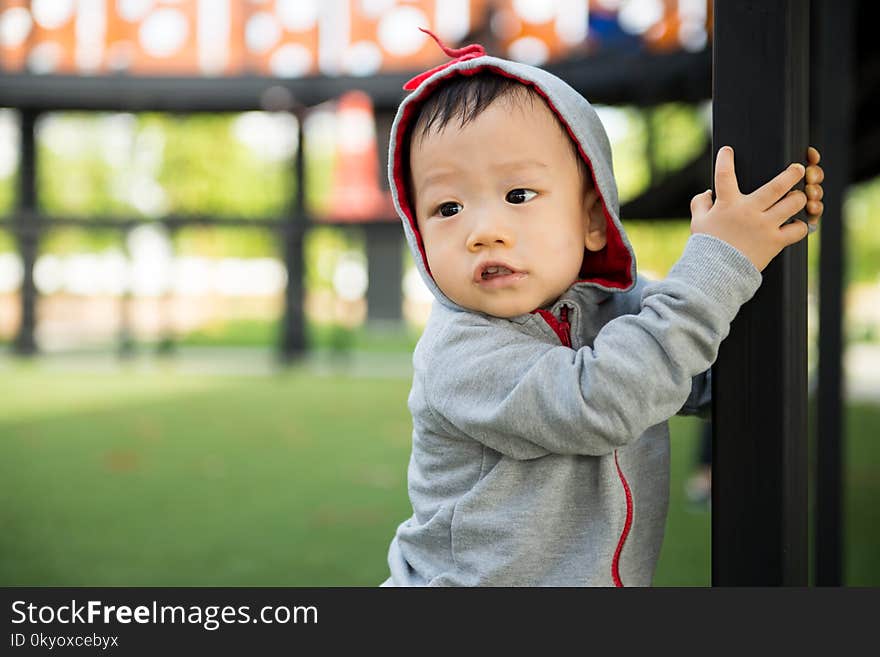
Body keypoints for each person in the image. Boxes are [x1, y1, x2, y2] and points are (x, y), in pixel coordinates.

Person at [380, 28, 824, 586]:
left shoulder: (609, 309)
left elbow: (697, 370)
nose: (483, 231)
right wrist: (720, 262)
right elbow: (603, 400)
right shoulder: (461, 353)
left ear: (593, 219)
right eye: (448, 207)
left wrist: (763, 234)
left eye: (518, 196)